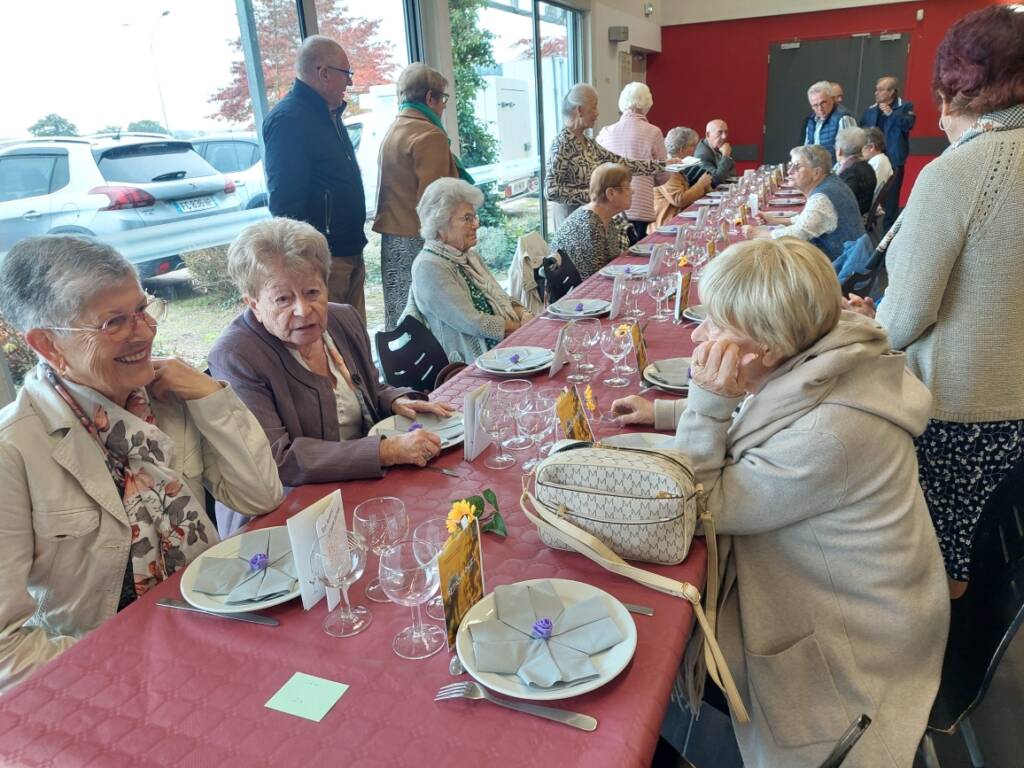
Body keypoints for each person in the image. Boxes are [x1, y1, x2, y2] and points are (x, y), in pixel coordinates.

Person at [612, 237, 949, 768]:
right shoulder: (826, 358)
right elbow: (767, 413)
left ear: (768, 349)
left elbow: (694, 508)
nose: (698, 335)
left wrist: (706, 405)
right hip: (868, 598)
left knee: (639, 656)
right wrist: (668, 414)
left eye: (715, 324)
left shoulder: (829, 435)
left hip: (852, 648)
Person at [0, 235, 284, 692]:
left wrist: (211, 395)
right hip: (106, 678)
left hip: (218, 623)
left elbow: (260, 496)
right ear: (49, 345)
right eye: (114, 322)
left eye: (143, 308)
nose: (146, 332)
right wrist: (130, 667)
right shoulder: (13, 451)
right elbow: (6, 649)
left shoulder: (166, 396)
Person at [847, 5, 1024, 598]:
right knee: (993, 558)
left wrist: (869, 327)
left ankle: (934, 645)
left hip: (963, 408)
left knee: (945, 568)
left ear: (955, 92)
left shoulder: (963, 169)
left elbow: (910, 311)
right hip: (1015, 407)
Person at [208, 218, 452, 534]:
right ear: (253, 304)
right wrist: (385, 451)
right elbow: (278, 459)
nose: (303, 310)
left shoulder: (343, 319)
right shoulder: (236, 355)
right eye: (283, 299)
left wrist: (394, 400)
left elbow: (366, 388)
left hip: (361, 487)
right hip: (286, 515)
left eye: (312, 292)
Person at [262, 35, 367, 317]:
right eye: (346, 73)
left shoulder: (329, 114)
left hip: (349, 248)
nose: (350, 82)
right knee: (330, 335)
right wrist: (306, 261)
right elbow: (285, 203)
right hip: (323, 260)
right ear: (324, 73)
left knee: (353, 333)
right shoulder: (289, 120)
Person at [373, 63, 467, 331]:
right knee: (429, 316)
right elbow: (437, 203)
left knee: (400, 313)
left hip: (394, 240)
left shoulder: (395, 129)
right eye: (443, 99)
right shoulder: (430, 135)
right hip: (420, 240)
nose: (444, 106)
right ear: (429, 98)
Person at [404, 178, 531, 363]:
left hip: (504, 347)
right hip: (471, 362)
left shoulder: (469, 256)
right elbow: (473, 322)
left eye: (474, 217)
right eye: (467, 219)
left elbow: (503, 298)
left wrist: (526, 315)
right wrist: (522, 328)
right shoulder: (429, 266)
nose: (476, 224)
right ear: (440, 225)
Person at [544, 83, 666, 228]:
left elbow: (622, 163)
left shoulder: (588, 143)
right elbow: (551, 191)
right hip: (573, 224)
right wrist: (595, 195)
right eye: (594, 107)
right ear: (579, 110)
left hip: (592, 220)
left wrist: (664, 165)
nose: (597, 113)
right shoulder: (562, 143)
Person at [744, 145, 864, 261]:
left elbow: (798, 234)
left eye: (797, 166)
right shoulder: (831, 182)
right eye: (791, 165)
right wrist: (775, 220)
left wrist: (758, 234)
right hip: (850, 257)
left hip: (838, 265)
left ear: (816, 173)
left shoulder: (821, 198)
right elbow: (809, 221)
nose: (789, 171)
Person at [595, 82, 672, 239]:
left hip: (609, 203)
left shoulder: (605, 132)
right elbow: (663, 174)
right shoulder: (653, 132)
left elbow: (598, 168)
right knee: (635, 248)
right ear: (648, 104)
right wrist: (647, 180)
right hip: (639, 203)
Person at [550, 163, 633, 280]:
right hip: (576, 289)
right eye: (627, 187)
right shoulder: (590, 226)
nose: (633, 191)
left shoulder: (605, 218)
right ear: (610, 193)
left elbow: (612, 262)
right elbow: (595, 279)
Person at [860, 76, 916, 230]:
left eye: (881, 90)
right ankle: (868, 226)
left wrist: (892, 114)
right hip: (872, 158)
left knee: (891, 199)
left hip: (894, 158)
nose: (876, 93)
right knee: (869, 193)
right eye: (876, 89)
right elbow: (861, 129)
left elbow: (909, 124)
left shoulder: (904, 106)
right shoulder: (871, 110)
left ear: (891, 92)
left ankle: (889, 234)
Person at [652, 127, 713, 227]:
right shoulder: (668, 168)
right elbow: (678, 200)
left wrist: (704, 185)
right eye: (692, 145)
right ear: (682, 149)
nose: (695, 149)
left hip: (680, 220)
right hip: (667, 224)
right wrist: (701, 184)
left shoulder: (680, 164)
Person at [804, 80, 856, 163]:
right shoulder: (811, 121)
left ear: (832, 99)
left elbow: (852, 151)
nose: (820, 108)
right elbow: (806, 149)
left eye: (823, 103)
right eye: (815, 105)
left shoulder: (843, 118)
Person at [834, 127, 876, 216]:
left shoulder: (851, 172)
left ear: (839, 151)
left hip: (850, 219)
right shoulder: (867, 167)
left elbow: (841, 203)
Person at [692, 119, 736, 188]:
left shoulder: (721, 147)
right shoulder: (702, 154)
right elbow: (715, 180)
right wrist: (726, 155)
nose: (724, 136)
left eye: (726, 132)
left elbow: (732, 174)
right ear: (708, 134)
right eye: (719, 132)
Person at [861, 127, 893, 199]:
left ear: (872, 147)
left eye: (861, 147)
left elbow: (868, 191)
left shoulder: (878, 162)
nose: (860, 151)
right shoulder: (880, 160)